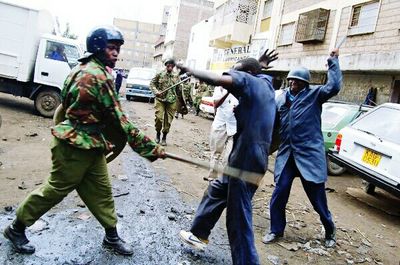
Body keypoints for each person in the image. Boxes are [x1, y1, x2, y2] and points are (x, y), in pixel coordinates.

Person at [2, 25, 165, 256]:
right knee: (55, 190)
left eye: (118, 48)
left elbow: (65, 108)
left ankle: (111, 236)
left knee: (101, 191)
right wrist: (152, 149)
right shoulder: (97, 76)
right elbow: (120, 121)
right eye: (111, 48)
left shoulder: (81, 68)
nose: (116, 53)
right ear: (98, 48)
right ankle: (16, 228)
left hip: (91, 144)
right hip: (74, 146)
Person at [177, 51, 277, 265]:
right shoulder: (264, 85)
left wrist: (189, 70)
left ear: (247, 75)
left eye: (236, 73)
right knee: (217, 191)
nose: (232, 77)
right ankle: (199, 233)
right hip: (245, 154)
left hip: (247, 159)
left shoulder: (249, 80)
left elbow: (217, 78)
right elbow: (251, 71)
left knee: (238, 215)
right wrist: (259, 65)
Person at [262, 48, 342, 249]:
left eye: (297, 81)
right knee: (279, 192)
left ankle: (329, 229)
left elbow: (334, 86)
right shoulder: (281, 99)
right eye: (291, 80)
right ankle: (275, 229)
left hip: (309, 156)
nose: (293, 83)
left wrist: (333, 61)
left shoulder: (315, 95)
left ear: (305, 84)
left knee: (317, 199)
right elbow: (272, 125)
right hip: (287, 155)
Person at [207, 86, 238, 180]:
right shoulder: (219, 89)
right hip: (220, 125)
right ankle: (212, 178)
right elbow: (216, 104)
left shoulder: (242, 89)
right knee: (216, 154)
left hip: (234, 127)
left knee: (229, 156)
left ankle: (223, 180)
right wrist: (228, 91)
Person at [149, 58, 181, 146]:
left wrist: (181, 104)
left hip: (172, 101)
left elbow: (179, 91)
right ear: (166, 65)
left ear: (174, 66)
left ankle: (164, 136)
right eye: (168, 65)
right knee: (159, 118)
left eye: (172, 65)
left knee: (168, 121)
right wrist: (156, 92)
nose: (170, 67)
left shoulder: (176, 76)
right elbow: (152, 83)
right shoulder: (160, 74)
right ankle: (158, 133)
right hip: (160, 100)